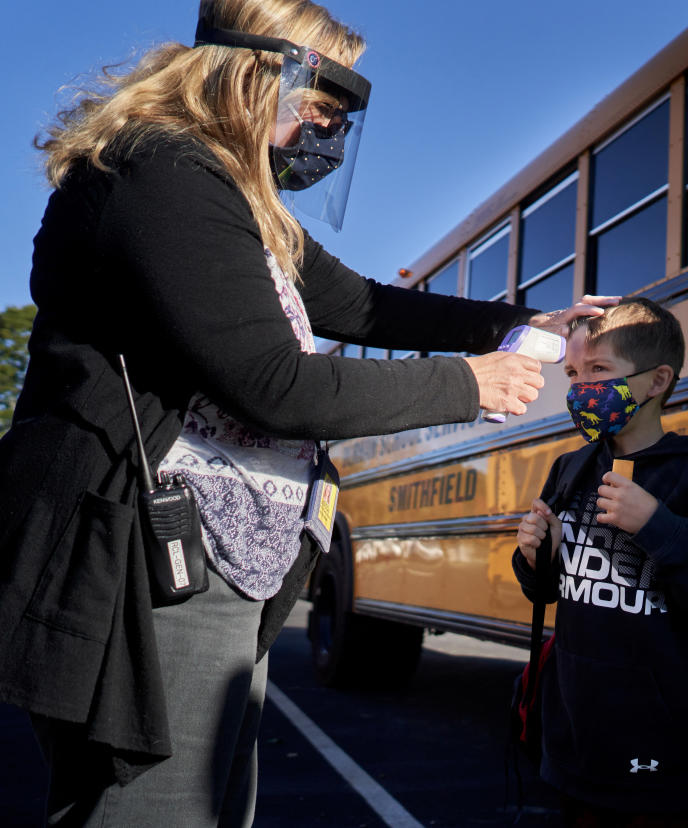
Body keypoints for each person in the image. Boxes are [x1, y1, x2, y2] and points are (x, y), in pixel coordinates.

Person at [0, 1, 613, 825]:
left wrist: (517, 323)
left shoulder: (237, 199)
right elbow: (274, 384)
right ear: (255, 75)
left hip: (210, 554)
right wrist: (469, 385)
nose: (328, 134)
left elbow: (360, 304)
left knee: (216, 804)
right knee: (156, 806)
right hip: (141, 560)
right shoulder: (161, 174)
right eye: (320, 109)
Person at [512, 298, 688, 827]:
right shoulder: (571, 468)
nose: (581, 389)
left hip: (657, 745)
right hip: (575, 731)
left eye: (599, 371)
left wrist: (656, 524)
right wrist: (535, 554)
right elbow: (549, 592)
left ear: (656, 381)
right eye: (574, 373)